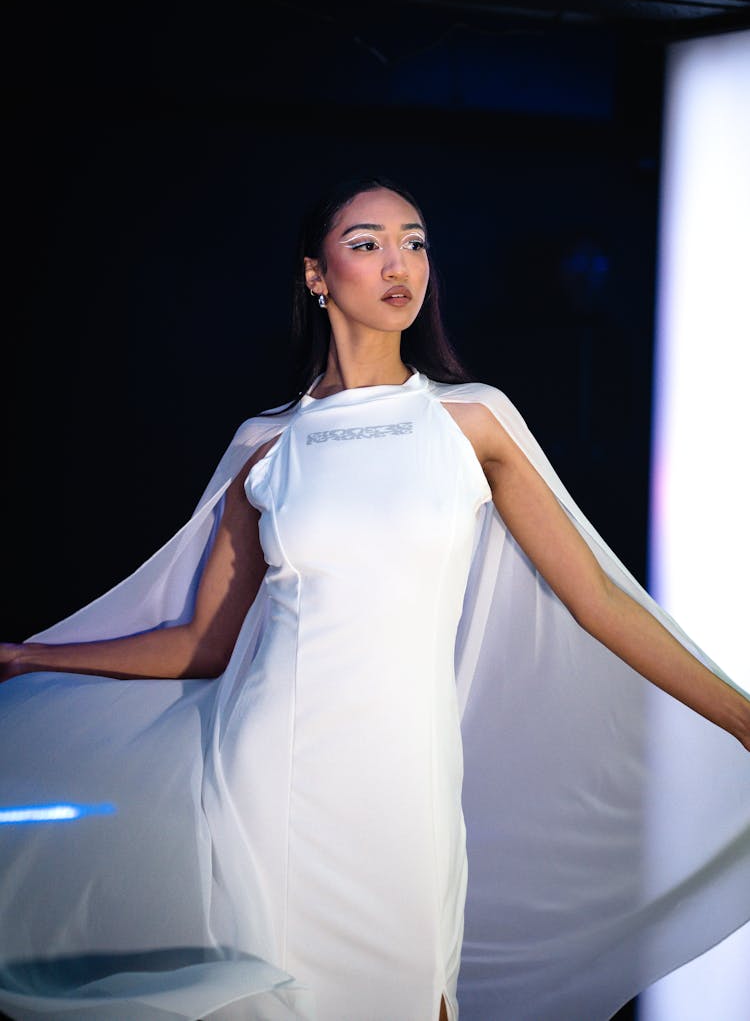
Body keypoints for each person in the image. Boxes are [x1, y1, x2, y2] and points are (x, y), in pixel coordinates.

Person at [1, 175, 749, 1021]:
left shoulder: (471, 421)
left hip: (406, 779)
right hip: (272, 774)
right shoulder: (268, 443)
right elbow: (206, 642)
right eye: (367, 243)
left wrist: (743, 718)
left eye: (416, 240)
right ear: (317, 275)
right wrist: (35, 655)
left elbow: (602, 603)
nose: (400, 263)